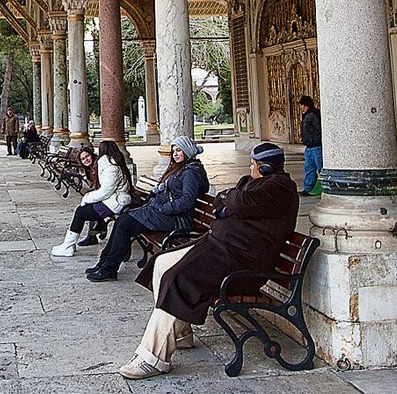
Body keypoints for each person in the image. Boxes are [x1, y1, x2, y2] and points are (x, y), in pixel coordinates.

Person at [121, 140, 298, 378]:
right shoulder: (255, 184)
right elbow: (223, 198)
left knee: (179, 278)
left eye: (253, 165)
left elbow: (236, 200)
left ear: (265, 167)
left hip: (242, 263)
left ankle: (154, 358)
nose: (250, 169)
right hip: (222, 249)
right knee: (162, 263)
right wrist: (231, 200)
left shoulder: (279, 187)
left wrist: (231, 201)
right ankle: (180, 333)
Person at [85, 135, 209, 282]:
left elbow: (186, 201)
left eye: (179, 150)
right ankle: (104, 262)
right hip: (161, 212)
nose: (175, 154)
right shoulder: (181, 168)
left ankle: (109, 268)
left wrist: (165, 208)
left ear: (187, 151)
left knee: (125, 225)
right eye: (173, 151)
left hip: (174, 218)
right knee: (122, 220)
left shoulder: (191, 172)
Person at [51, 140, 135, 256]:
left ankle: (68, 246)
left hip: (116, 202)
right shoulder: (111, 164)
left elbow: (105, 192)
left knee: (81, 212)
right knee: (83, 210)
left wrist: (87, 198)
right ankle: (70, 244)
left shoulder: (111, 168)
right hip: (114, 200)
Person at [299, 94, 322, 195]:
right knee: (309, 168)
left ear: (304, 105)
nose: (300, 107)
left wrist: (315, 140)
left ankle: (322, 187)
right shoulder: (307, 115)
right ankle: (308, 188)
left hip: (316, 146)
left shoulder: (313, 115)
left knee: (319, 168)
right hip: (310, 146)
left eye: (301, 105)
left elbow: (318, 129)